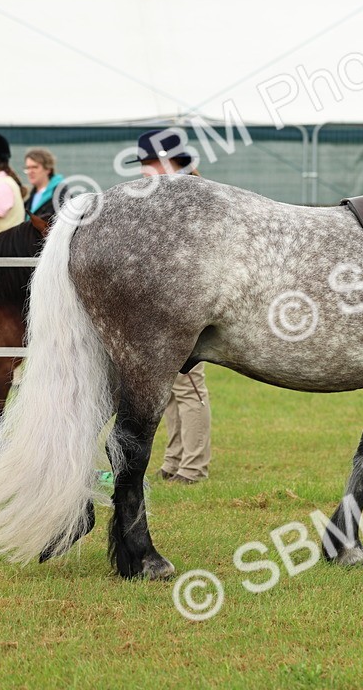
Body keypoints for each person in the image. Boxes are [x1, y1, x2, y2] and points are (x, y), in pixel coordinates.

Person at [125, 129, 213, 485]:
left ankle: (193, 466)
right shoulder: (171, 192)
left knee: (190, 388)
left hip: (186, 302)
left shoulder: (188, 194)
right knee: (173, 389)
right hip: (166, 302)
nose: (143, 170)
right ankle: (174, 460)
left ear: (166, 161)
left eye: (147, 162)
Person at [22, 147, 71, 220]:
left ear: (48, 169)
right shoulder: (29, 196)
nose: (30, 172)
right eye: (28, 168)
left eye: (35, 167)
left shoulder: (61, 194)